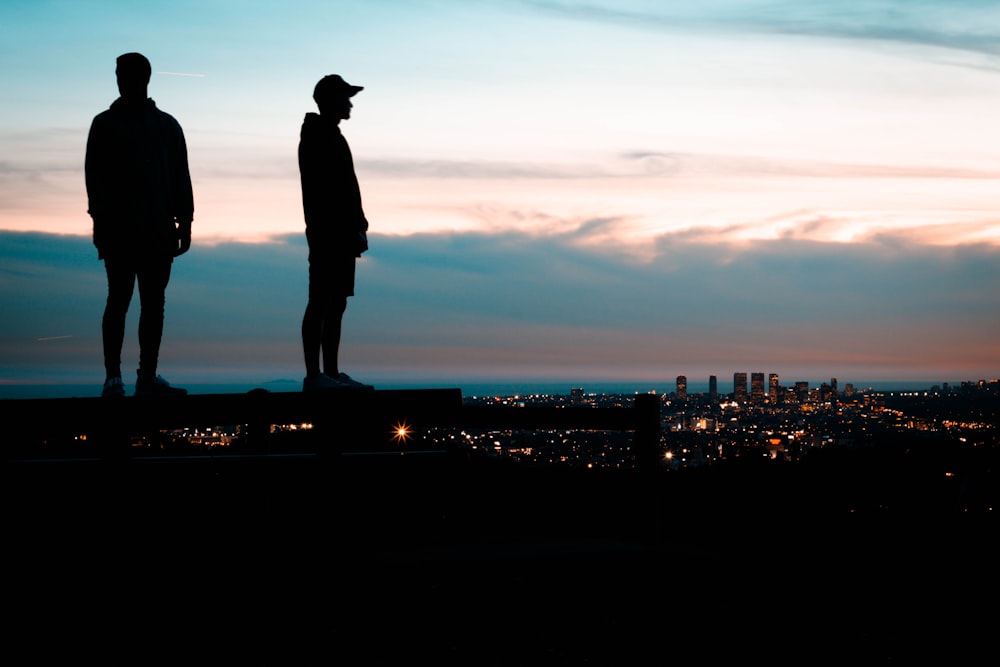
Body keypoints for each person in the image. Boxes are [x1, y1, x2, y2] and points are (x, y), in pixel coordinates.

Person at [85, 52, 193, 398]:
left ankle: (144, 376)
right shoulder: (105, 124)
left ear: (144, 78)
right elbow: (95, 180)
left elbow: (180, 177)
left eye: (126, 74)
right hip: (122, 231)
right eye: (119, 74)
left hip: (155, 231)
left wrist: (185, 220)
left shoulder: (166, 126)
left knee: (149, 303)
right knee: (121, 301)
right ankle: (116, 377)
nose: (121, 80)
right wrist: (100, 223)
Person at [298, 74, 372, 391]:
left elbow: (347, 188)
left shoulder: (331, 135)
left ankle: (330, 371)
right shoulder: (317, 136)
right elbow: (328, 191)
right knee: (321, 302)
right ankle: (316, 375)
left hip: (341, 234)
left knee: (336, 302)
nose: (350, 102)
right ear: (331, 100)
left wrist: (358, 224)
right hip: (328, 234)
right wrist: (346, 225)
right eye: (345, 97)